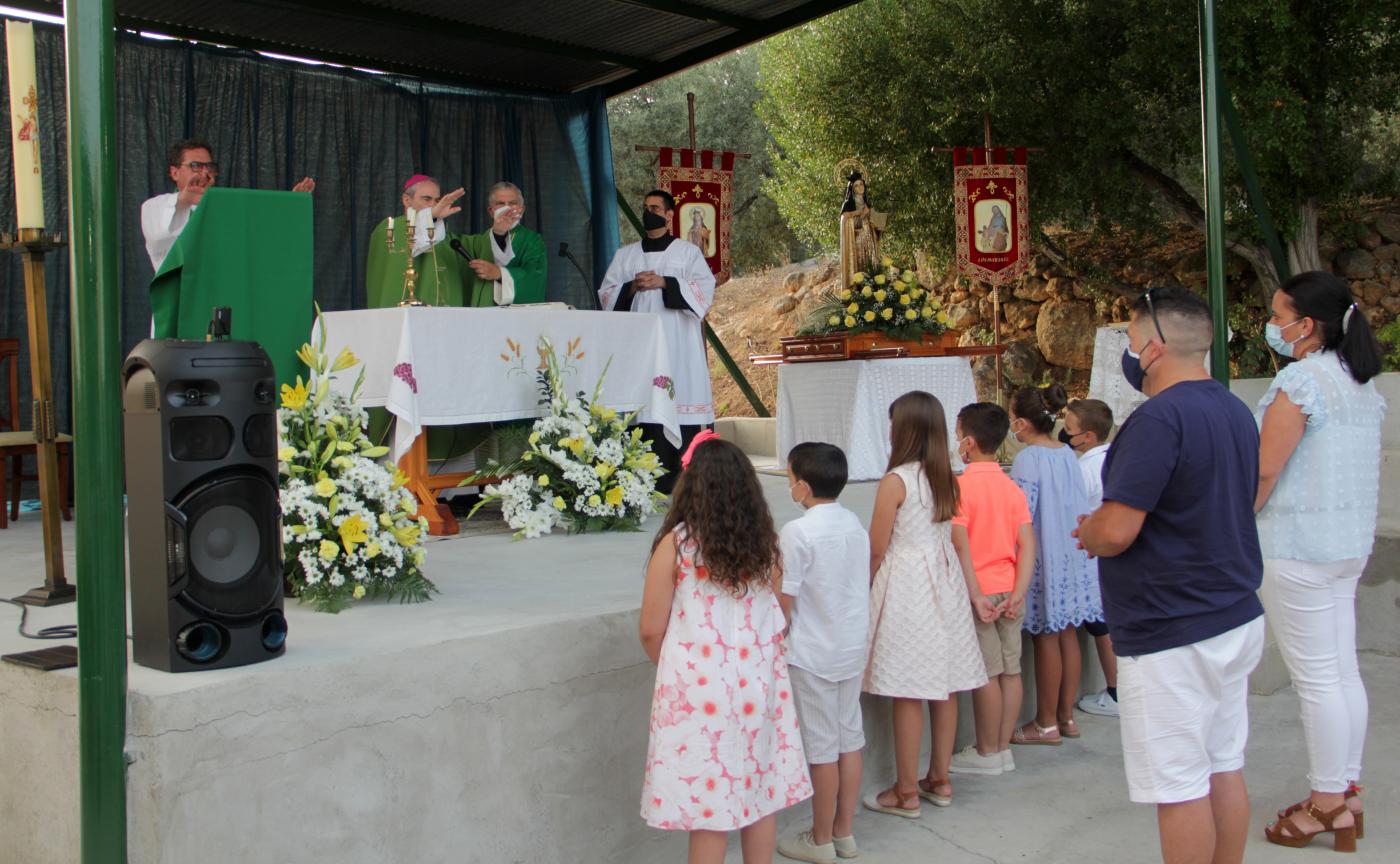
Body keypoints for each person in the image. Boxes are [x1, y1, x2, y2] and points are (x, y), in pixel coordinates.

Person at [1075, 285, 1265, 864]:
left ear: (1154, 348)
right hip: (1231, 611)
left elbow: (1116, 530)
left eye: (1132, 340)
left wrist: (1089, 531)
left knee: (1179, 787)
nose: (1129, 354)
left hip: (1172, 629)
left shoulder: (1158, 419)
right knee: (1223, 765)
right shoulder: (1232, 408)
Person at [1254, 271, 1384, 851]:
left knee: (1316, 680)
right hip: (1345, 545)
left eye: (1278, 316)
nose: (1272, 325)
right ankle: (1346, 791)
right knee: (1341, 671)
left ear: (1306, 325)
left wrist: (1234, 524)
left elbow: (1265, 469)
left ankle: (1326, 802)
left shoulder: (1302, 380)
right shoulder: (1359, 382)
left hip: (1297, 547)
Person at [639, 436, 811, 864]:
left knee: (708, 811)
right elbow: (777, 612)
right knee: (761, 795)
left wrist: (679, 669)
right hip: (758, 686)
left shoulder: (677, 546)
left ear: (691, 486)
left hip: (698, 692)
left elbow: (650, 629)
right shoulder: (767, 545)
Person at [862, 391, 989, 818]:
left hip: (908, 584)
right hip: (944, 580)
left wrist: (863, 588)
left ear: (904, 430)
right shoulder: (945, 478)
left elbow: (877, 546)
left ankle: (905, 792)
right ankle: (940, 778)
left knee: (908, 689)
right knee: (944, 684)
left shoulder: (896, 480)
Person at [775, 443, 870, 864]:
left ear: (803, 487)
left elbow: (786, 595)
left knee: (821, 750)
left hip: (812, 653)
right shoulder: (854, 523)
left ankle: (820, 839)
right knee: (850, 740)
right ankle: (844, 832)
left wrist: (777, 634)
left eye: (790, 478)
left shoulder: (798, 532)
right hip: (850, 647)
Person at [599, 190, 716, 494]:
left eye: (655, 208)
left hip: (679, 345)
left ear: (669, 215)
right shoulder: (626, 255)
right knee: (644, 404)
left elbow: (705, 291)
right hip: (640, 347)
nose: (648, 212)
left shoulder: (687, 253)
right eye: (645, 207)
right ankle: (643, 481)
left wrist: (665, 281)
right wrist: (632, 286)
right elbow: (606, 294)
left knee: (680, 399)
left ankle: (685, 481)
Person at [1007, 384, 1101, 746]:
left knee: (1047, 635)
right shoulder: (1066, 453)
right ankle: (1066, 716)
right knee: (1067, 634)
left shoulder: (1028, 459)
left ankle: (1045, 723)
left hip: (1044, 553)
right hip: (1071, 552)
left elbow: (1023, 512)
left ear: (1021, 423)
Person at [947, 402, 1035, 777]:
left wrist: (976, 595)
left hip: (979, 593)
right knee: (1011, 671)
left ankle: (986, 752)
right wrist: (1019, 592)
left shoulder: (960, 487)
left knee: (987, 673)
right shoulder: (1011, 488)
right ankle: (1002, 749)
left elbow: (960, 545)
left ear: (968, 443)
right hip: (1010, 591)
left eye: (957, 437)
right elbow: (1027, 544)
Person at [141, 138, 314, 271]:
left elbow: (262, 239)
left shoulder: (227, 209)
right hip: (180, 303)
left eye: (209, 167)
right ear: (175, 172)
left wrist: (291, 207)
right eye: (196, 166)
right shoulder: (156, 207)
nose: (205, 173)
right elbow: (158, 238)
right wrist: (184, 200)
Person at [1062, 398, 1120, 719]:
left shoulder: (1084, 469)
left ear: (1088, 436)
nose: (1064, 433)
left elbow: (1073, 511)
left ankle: (1116, 691)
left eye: (1069, 428)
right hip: (1116, 554)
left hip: (1092, 558)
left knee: (1102, 627)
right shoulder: (1116, 457)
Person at [413, 181, 548, 306]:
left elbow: (535, 278)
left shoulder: (532, 240)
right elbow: (437, 240)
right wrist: (433, 216)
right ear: (491, 211)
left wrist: (500, 273)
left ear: (522, 209)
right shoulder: (478, 243)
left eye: (513, 203)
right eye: (500, 203)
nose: (507, 208)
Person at [365, 174, 467, 308]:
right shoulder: (390, 228)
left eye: (437, 200)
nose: (433, 204)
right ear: (407, 200)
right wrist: (431, 216)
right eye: (427, 199)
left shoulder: (444, 235)